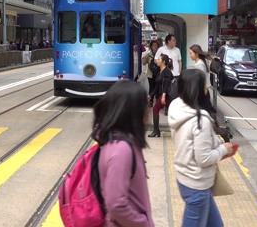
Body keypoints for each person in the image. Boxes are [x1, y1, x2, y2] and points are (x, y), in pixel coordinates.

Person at [168, 69, 236, 226]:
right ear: (198, 89)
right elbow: (203, 158)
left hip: (186, 178)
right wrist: (224, 149)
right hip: (197, 185)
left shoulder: (177, 106)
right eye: (204, 84)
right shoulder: (200, 121)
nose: (207, 86)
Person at [93, 80, 155, 226]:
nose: (148, 111)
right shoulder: (121, 150)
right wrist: (143, 223)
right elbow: (116, 204)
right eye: (144, 105)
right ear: (132, 111)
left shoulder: (124, 142)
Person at [148, 54, 174, 138]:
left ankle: (156, 131)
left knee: (156, 109)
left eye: (159, 59)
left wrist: (163, 96)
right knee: (158, 110)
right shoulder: (160, 70)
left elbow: (166, 84)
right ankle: (156, 131)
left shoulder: (167, 71)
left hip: (167, 96)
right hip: (163, 95)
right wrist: (150, 95)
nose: (157, 60)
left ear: (163, 62)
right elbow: (157, 85)